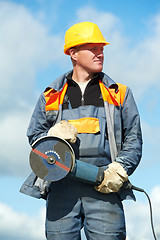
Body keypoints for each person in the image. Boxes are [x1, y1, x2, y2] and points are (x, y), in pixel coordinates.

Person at [21, 22, 143, 240]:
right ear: (73, 53)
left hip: (104, 185)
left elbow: (133, 139)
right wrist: (51, 138)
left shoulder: (120, 93)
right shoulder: (51, 96)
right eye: (93, 49)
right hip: (61, 186)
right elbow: (35, 137)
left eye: (102, 49)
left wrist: (120, 170)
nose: (100, 54)